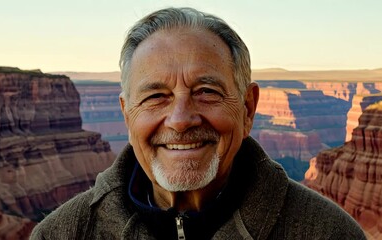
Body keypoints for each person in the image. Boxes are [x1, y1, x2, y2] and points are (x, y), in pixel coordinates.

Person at [30, 7, 366, 239]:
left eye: (206, 91)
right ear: (126, 113)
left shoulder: (327, 232)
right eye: (155, 96)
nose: (180, 120)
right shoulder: (63, 233)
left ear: (248, 109)